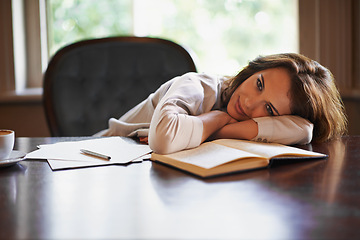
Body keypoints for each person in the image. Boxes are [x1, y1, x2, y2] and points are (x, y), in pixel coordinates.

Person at [95, 53, 347, 154]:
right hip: (96, 154)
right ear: (252, 71)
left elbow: (304, 130)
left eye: (269, 109)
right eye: (259, 84)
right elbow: (164, 139)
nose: (249, 104)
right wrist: (218, 119)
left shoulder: (245, 113)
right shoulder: (197, 85)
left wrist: (219, 131)